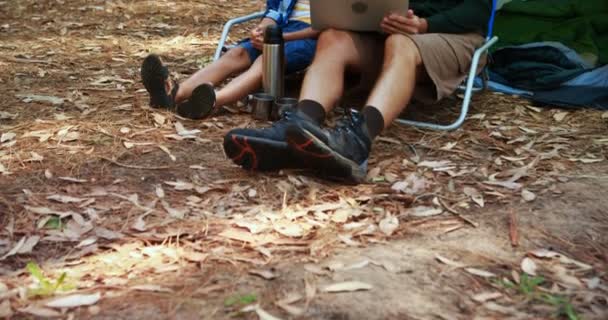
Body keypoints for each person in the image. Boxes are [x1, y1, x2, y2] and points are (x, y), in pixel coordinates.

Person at [223, 0, 492, 181]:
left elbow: (478, 11)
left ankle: (357, 141)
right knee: (333, 37)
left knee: (401, 43)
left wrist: (424, 25)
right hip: (388, 30)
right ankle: (300, 126)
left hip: (451, 33)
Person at [140, 0, 319, 119]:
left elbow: (330, 27)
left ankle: (213, 101)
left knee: (266, 59)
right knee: (236, 53)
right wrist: (260, 31)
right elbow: (273, 13)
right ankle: (174, 94)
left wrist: (282, 38)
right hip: (281, 29)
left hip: (309, 37)